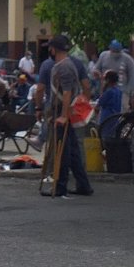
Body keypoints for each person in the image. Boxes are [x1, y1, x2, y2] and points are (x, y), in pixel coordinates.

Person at [41, 34, 93, 197]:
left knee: (61, 151)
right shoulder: (65, 64)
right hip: (64, 111)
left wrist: (63, 115)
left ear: (54, 49)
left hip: (62, 111)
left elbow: (67, 92)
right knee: (72, 151)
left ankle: (60, 186)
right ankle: (83, 185)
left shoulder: (63, 67)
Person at [95, 39, 134, 109]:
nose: (115, 53)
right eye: (113, 51)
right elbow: (96, 69)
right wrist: (97, 74)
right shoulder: (103, 56)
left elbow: (132, 77)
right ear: (110, 48)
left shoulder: (128, 59)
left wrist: (129, 92)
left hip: (122, 91)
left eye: (117, 51)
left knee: (120, 111)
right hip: (105, 90)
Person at [94, 71, 123, 137]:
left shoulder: (109, 92)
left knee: (104, 136)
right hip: (116, 117)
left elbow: (99, 103)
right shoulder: (119, 91)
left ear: (107, 80)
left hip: (106, 117)